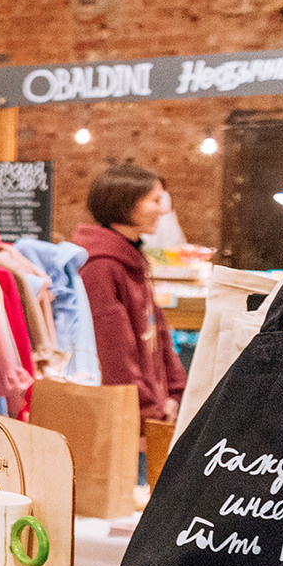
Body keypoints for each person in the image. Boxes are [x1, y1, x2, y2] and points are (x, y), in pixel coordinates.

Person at [76, 162, 186, 421]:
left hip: (148, 411)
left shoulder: (132, 255)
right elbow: (114, 354)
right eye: (155, 200)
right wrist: (148, 410)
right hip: (123, 418)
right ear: (126, 203)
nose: (163, 210)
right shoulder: (101, 265)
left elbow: (157, 330)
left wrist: (175, 391)